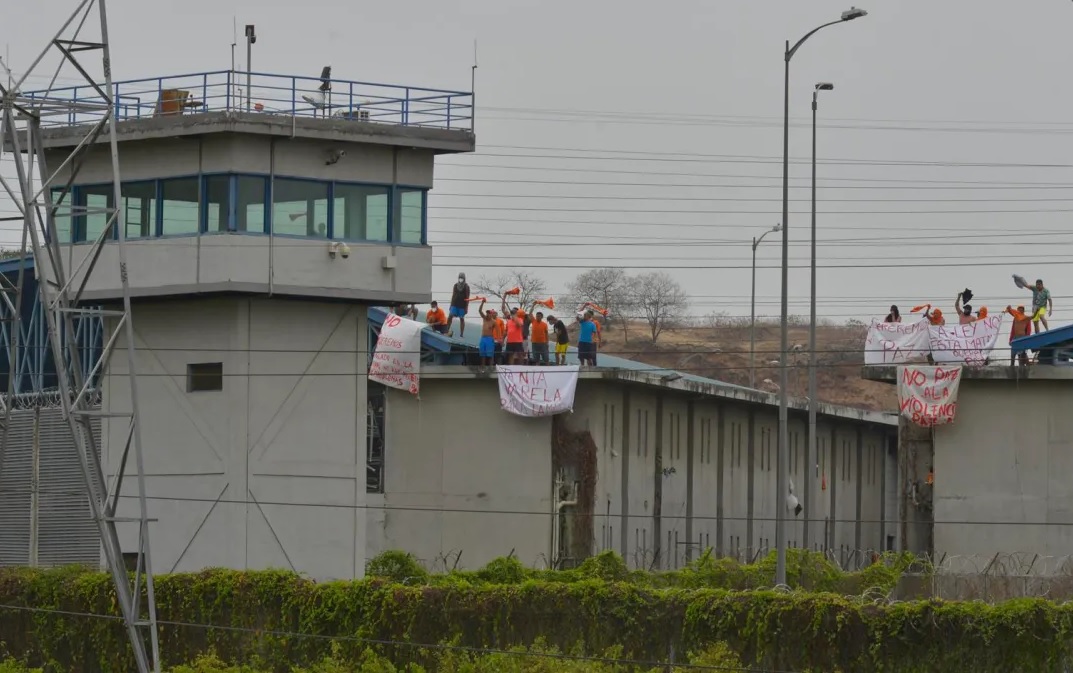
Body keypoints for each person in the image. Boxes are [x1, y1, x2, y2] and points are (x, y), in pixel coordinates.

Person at [447, 272, 471, 338]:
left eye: (462, 278)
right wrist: (451, 305)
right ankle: (446, 329)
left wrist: (466, 308)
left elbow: (467, 297)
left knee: (462, 319)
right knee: (450, 316)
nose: (460, 279)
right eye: (460, 278)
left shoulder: (466, 287)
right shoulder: (455, 285)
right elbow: (453, 295)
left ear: (464, 278)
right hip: (454, 304)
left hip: (462, 306)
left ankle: (461, 334)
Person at [476, 300, 496, 370]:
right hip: (483, 338)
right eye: (487, 313)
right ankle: (483, 367)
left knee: (490, 354)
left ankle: (490, 367)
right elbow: (479, 310)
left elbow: (497, 331)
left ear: (491, 314)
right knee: (482, 354)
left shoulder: (494, 322)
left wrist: (497, 338)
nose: (487, 314)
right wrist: (482, 302)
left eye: (489, 313)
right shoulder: (484, 318)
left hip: (490, 339)